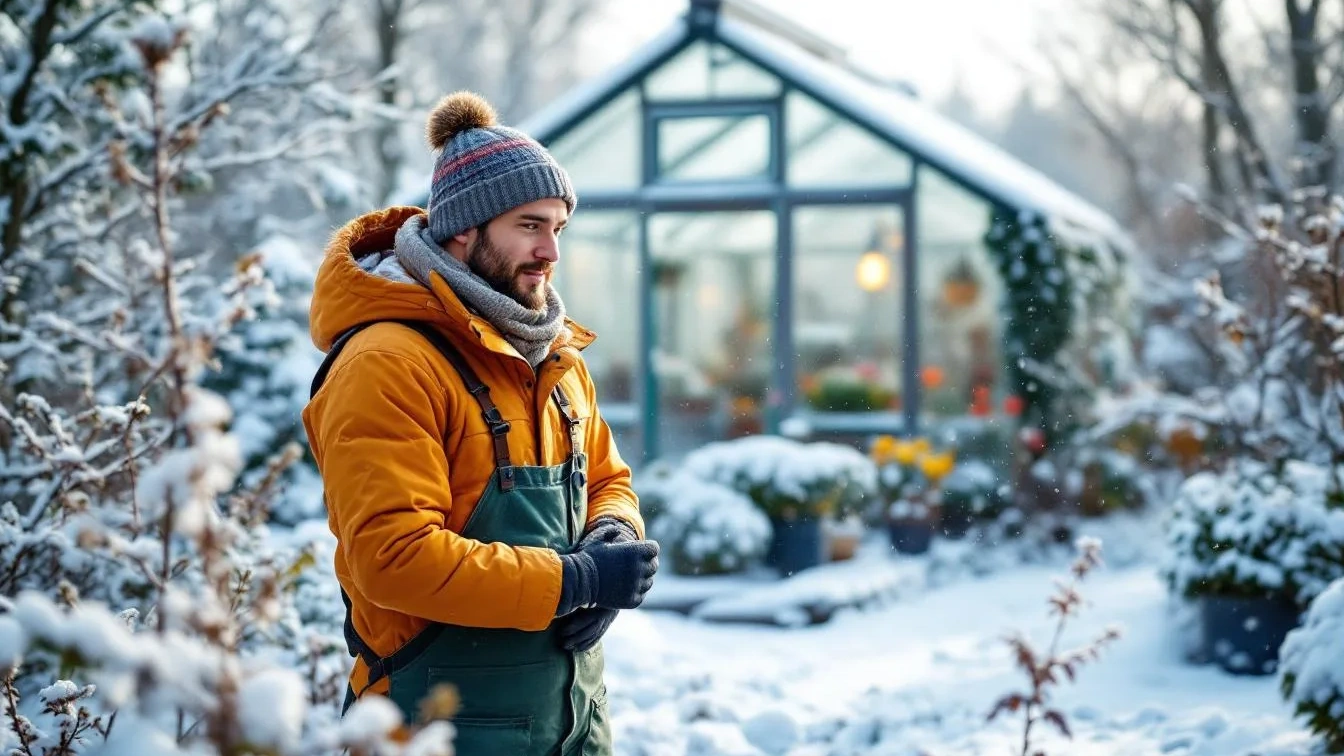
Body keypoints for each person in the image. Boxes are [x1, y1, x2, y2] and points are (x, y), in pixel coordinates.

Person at [302, 90, 659, 755]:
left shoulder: (553, 356)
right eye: (530, 225)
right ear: (463, 230)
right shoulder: (388, 361)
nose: (551, 250)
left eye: (558, 227)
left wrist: (613, 533)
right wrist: (576, 582)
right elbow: (393, 558)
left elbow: (607, 476)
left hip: (570, 724)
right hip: (434, 730)